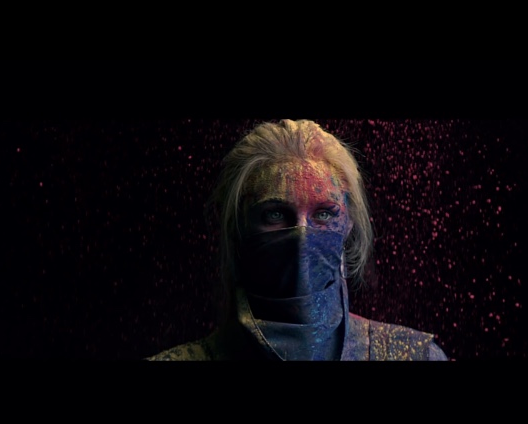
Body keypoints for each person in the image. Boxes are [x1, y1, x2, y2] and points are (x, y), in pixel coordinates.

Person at [148, 119, 447, 361]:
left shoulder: (414, 356)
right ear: (238, 227)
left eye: (324, 214)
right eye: (275, 214)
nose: (301, 237)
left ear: (348, 224)